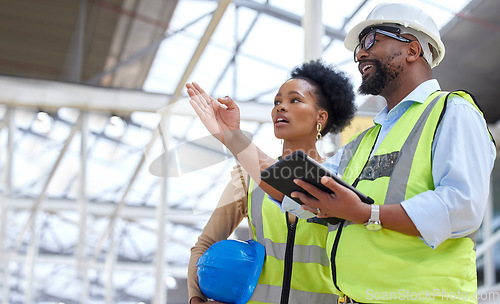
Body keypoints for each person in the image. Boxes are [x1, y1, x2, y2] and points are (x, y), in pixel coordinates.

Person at [187, 3, 496, 304]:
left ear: (413, 50)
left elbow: (461, 208)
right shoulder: (367, 141)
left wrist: (366, 214)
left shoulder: (452, 111)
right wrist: (232, 137)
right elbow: (295, 187)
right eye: (359, 46)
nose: (361, 52)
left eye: (373, 39)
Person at [187, 59, 356, 304]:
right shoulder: (246, 179)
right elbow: (206, 243)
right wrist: (196, 298)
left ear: (321, 116)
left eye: (294, 100)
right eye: (277, 102)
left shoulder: (342, 180)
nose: (280, 108)